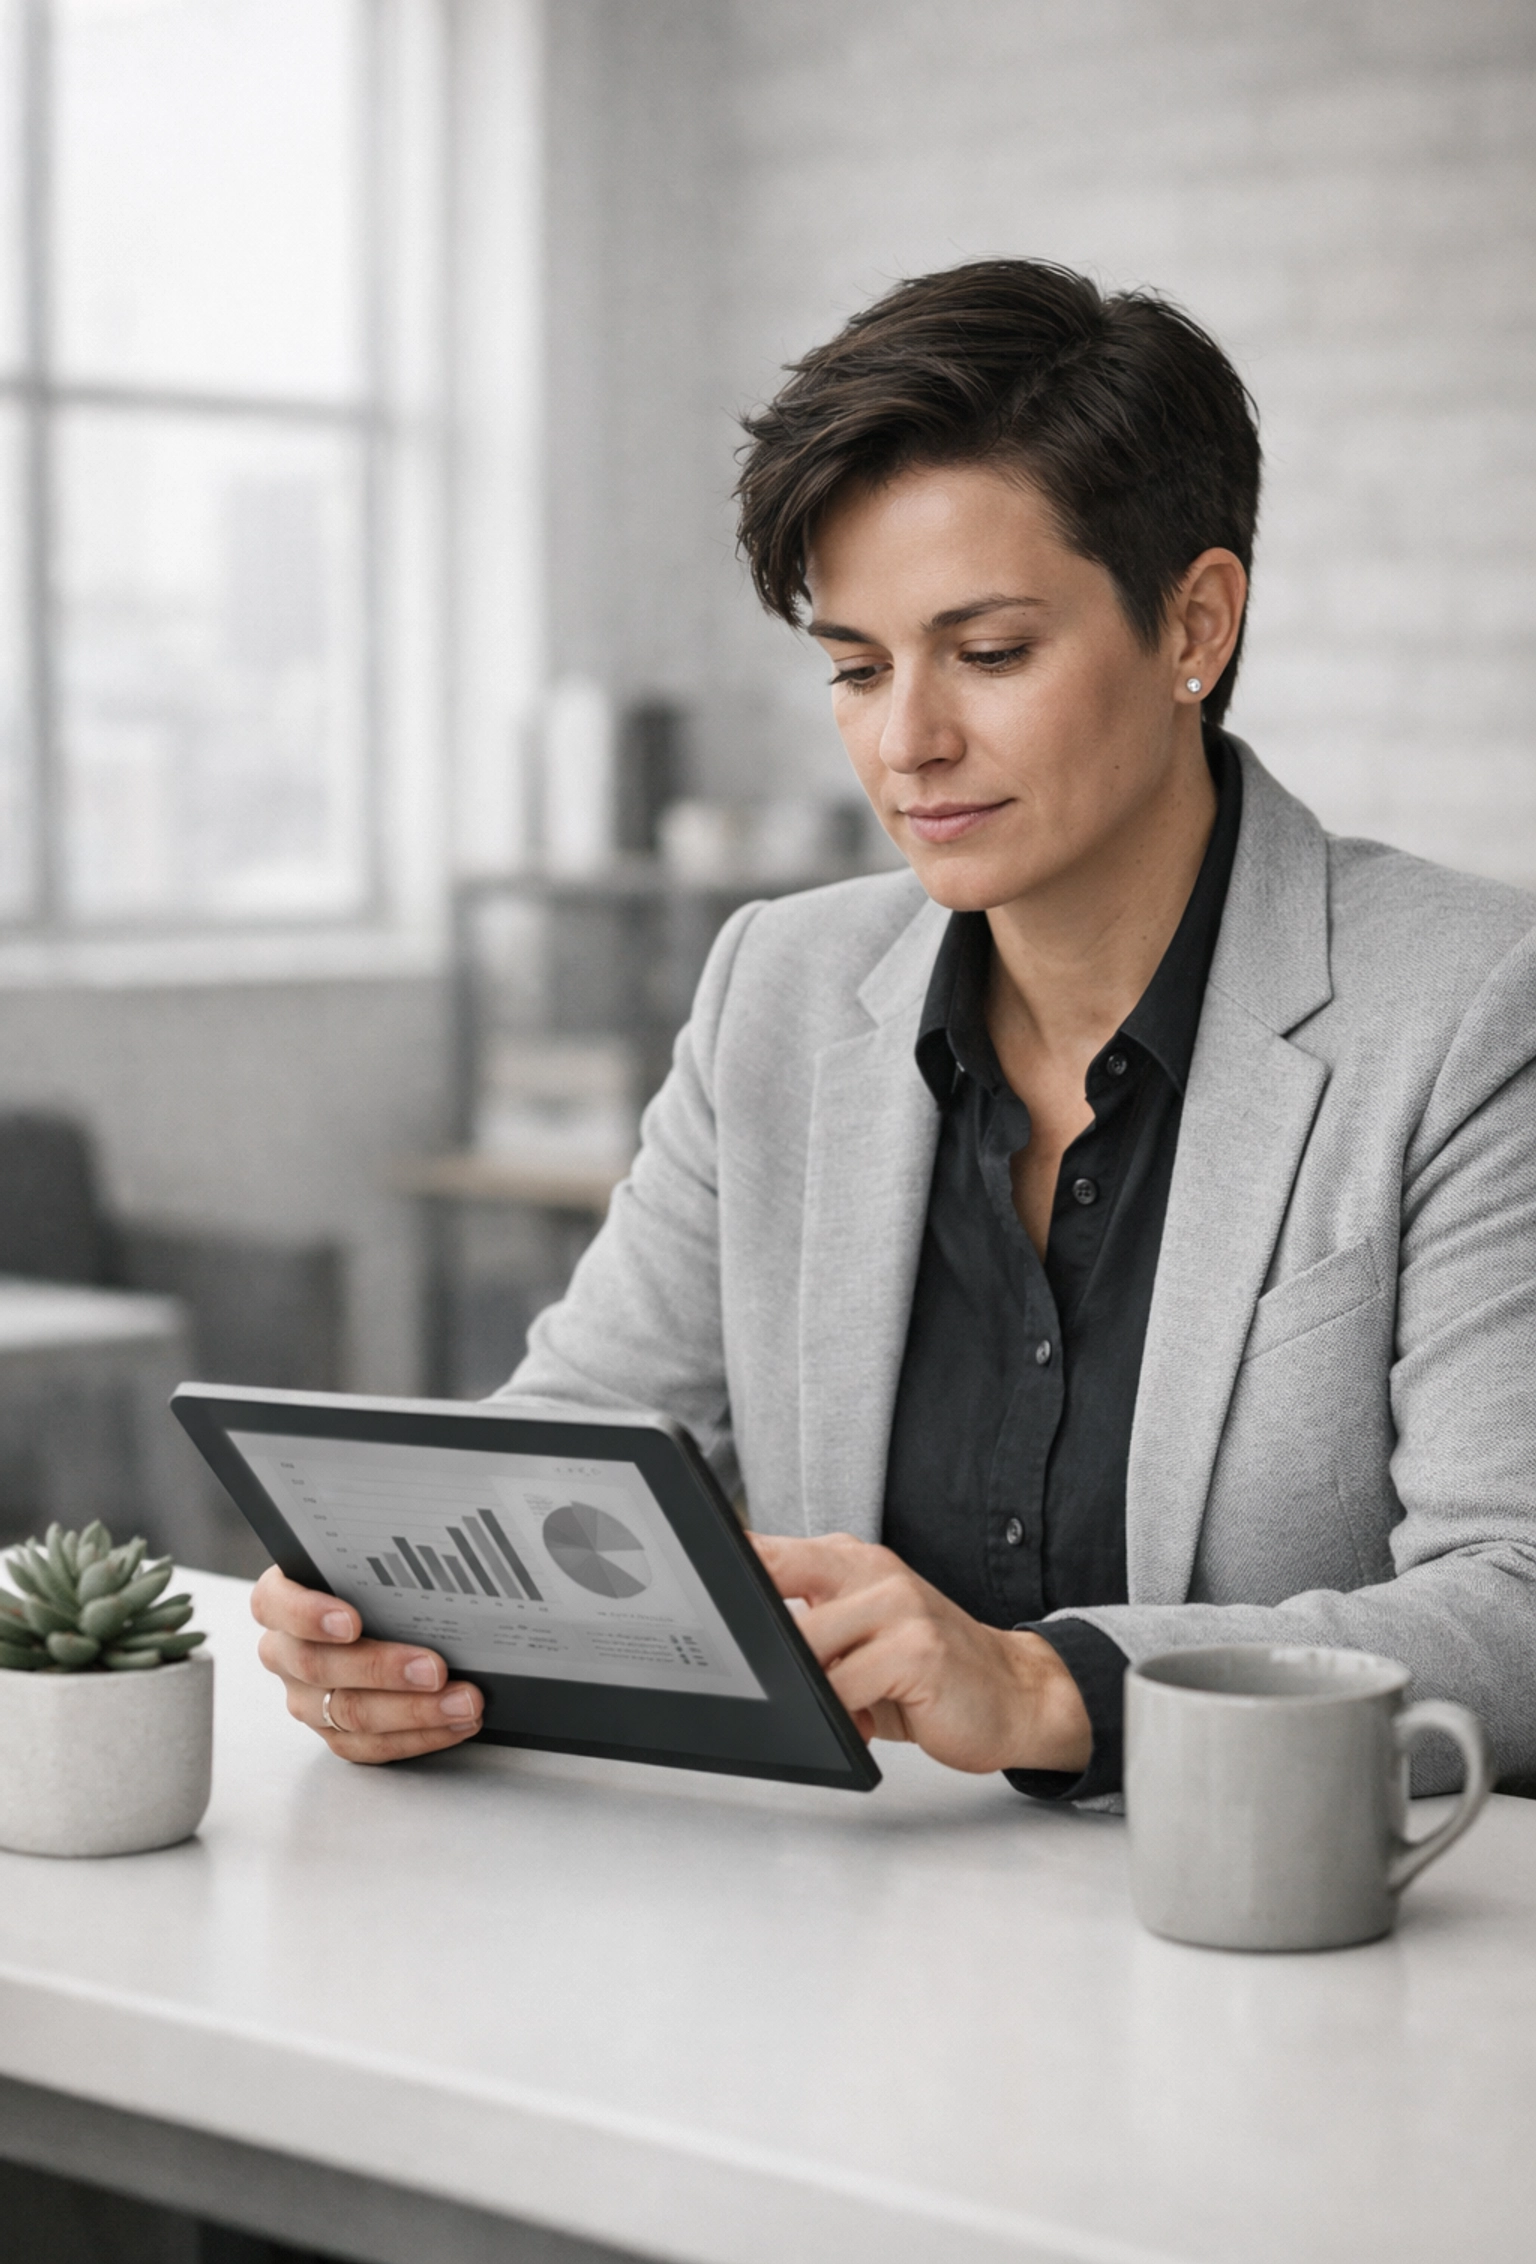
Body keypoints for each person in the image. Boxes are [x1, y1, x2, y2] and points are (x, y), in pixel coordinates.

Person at [253, 259, 1536, 1801]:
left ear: (1194, 622)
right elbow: (571, 1449)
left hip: (1284, 1908)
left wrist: (1048, 1686)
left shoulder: (1470, 1005)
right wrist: (402, 1620)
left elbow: (1516, 1602)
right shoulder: (779, 987)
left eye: (989, 655)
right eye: (856, 668)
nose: (907, 742)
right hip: (861, 1908)